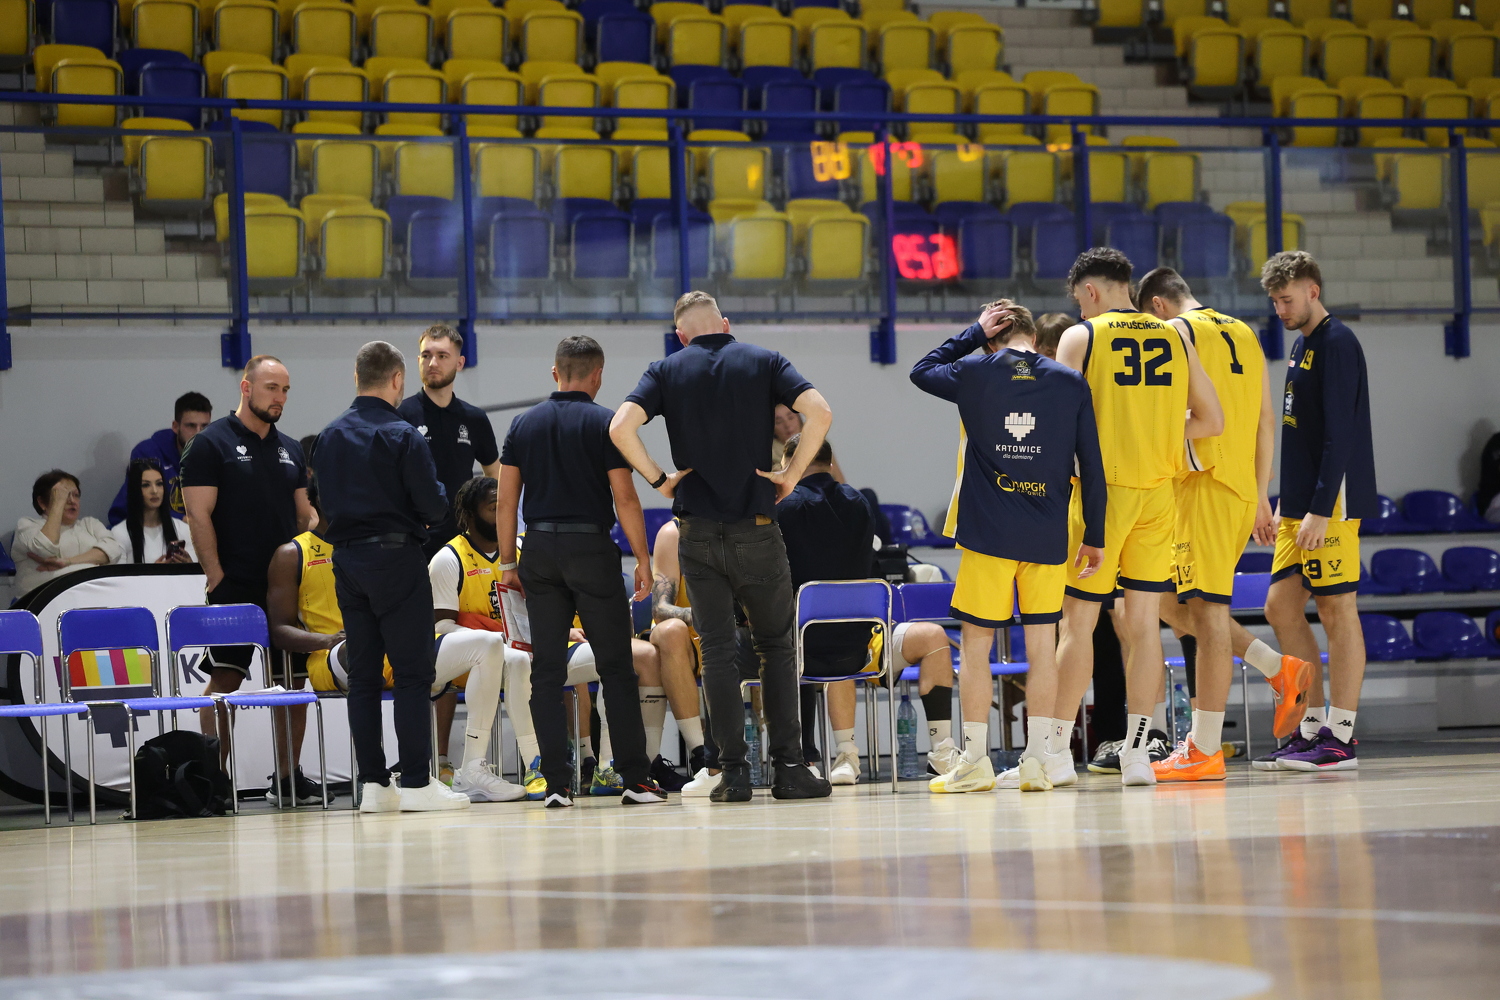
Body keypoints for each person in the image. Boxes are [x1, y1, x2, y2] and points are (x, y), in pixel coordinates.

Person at [609, 290, 832, 803]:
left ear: (681, 336)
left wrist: (660, 479)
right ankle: (789, 768)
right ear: (725, 325)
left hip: (698, 533)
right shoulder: (764, 360)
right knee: (776, 647)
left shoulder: (666, 369)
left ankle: (731, 774)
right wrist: (791, 474)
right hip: (757, 528)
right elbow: (820, 412)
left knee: (715, 653)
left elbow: (620, 426)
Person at [912, 300, 1107, 794]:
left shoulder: (976, 371)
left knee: (977, 645)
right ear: (1034, 337)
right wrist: (1096, 536)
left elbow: (921, 371)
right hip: (1047, 536)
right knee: (1043, 647)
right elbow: (1092, 465)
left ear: (992, 338)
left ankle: (975, 761)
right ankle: (1038, 762)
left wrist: (971, 333)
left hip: (988, 534)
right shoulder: (1070, 381)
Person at [1051, 248, 1223, 787]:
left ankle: (1054, 753)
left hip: (1103, 496)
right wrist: (1158, 433)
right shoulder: (1175, 336)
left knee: (1078, 623)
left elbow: (1055, 425)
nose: (1080, 310)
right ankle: (1137, 755)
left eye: (1080, 300)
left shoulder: (1083, 336)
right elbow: (1211, 419)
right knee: (1144, 626)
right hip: (1159, 494)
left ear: (1090, 291)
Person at [1135, 268, 1315, 780]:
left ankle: (1205, 748)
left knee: (1208, 615)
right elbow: (1264, 420)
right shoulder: (1245, 332)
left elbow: (1170, 412)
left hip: (1202, 485)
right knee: (1166, 603)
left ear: (1157, 305)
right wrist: (1258, 494)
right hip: (1235, 490)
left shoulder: (1174, 332)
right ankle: (1276, 667)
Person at [498, 335, 666, 807]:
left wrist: (508, 563)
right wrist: (643, 559)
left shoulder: (522, 424)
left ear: (556, 373)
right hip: (590, 547)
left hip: (538, 548)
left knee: (546, 671)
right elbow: (625, 497)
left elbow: (506, 501)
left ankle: (555, 785)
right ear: (598, 375)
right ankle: (634, 779)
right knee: (615, 667)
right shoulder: (606, 423)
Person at [313, 341, 468, 813]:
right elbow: (435, 506)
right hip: (397, 559)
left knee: (362, 676)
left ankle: (375, 787)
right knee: (412, 673)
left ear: (357, 376)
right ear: (398, 379)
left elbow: (322, 504)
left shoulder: (328, 435)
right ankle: (417, 782)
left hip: (346, 560)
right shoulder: (403, 434)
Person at [1252, 251, 1377, 772]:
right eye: (1275, 301)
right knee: (1280, 607)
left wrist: (1322, 508)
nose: (1280, 309)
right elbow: (1302, 434)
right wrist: (1290, 497)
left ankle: (1340, 736)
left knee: (1336, 609)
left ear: (1313, 291)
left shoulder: (1338, 343)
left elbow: (1340, 434)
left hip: (1333, 502)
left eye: (1287, 299)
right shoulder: (1302, 344)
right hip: (1301, 502)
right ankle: (1310, 727)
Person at [775, 433, 956, 786]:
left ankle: (847, 754)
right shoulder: (860, 504)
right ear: (830, 463)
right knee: (933, 637)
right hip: (863, 649)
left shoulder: (781, 509)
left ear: (790, 465)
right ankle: (942, 750)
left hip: (802, 652)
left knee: (832, 634)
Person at [179, 355, 315, 781]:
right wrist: (216, 577)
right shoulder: (210, 444)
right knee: (225, 679)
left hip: (286, 586)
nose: (280, 397)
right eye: (272, 387)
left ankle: (288, 779)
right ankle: (213, 779)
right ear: (246, 387)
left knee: (292, 684)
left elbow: (305, 516)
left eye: (285, 390)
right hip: (235, 582)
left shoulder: (291, 448)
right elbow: (197, 515)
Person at [426, 476, 537, 802]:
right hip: (460, 661)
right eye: (493, 508)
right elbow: (442, 627)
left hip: (514, 648)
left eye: (506, 507)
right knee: (505, 654)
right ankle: (479, 767)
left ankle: (540, 766)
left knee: (520, 658)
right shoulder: (448, 558)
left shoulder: (522, 551)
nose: (503, 514)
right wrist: (496, 637)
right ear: (470, 515)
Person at [397, 324, 501, 559]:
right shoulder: (401, 416)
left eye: (442, 356)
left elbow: (494, 474)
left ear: (460, 363)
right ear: (418, 360)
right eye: (426, 356)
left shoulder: (474, 418)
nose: (433, 363)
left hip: (463, 541)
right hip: (414, 542)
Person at [107, 391, 213, 526]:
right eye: (191, 426)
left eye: (204, 426)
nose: (198, 433)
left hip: (192, 531)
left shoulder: (215, 456)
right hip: (143, 530)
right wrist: (184, 521)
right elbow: (139, 504)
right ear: (176, 426)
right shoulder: (147, 452)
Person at [11, 470, 122, 597]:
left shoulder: (90, 524)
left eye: (76, 495)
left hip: (93, 597)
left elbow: (113, 550)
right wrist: (58, 504)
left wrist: (68, 562)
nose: (72, 501)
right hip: (44, 600)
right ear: (42, 502)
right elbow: (45, 548)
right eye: (63, 495)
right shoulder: (27, 525)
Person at [111, 458, 197, 565]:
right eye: (146, 485)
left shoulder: (183, 529)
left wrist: (189, 565)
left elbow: (198, 572)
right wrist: (154, 571)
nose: (155, 491)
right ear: (134, 490)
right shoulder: (120, 533)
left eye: (159, 484)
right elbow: (117, 575)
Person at [772, 403, 845, 480]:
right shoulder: (770, 457)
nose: (787, 425)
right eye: (779, 422)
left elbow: (839, 480)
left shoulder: (819, 443)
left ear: (799, 418)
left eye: (791, 418)